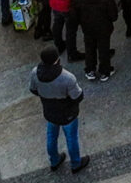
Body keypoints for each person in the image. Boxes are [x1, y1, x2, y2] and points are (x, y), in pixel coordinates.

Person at [29, 45, 88, 174]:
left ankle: (54, 160)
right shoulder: (67, 77)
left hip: (49, 111)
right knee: (71, 138)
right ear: (57, 59)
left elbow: (33, 90)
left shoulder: (35, 73)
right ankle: (76, 163)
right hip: (68, 114)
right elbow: (78, 96)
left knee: (51, 136)